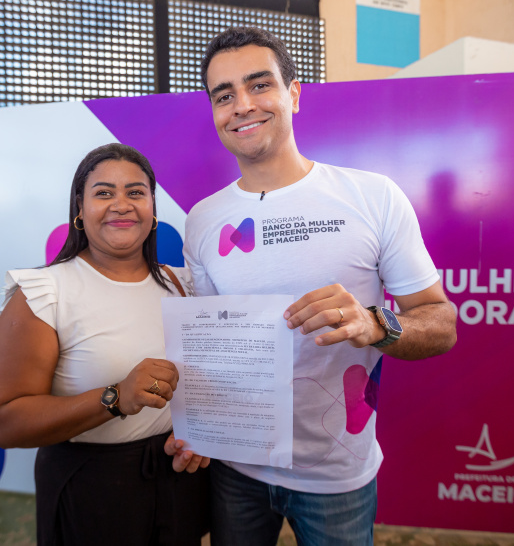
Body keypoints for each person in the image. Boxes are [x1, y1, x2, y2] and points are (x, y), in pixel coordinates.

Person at [183, 27, 457, 545]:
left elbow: (441, 323)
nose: (242, 105)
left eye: (259, 85)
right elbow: (210, 352)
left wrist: (376, 324)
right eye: (224, 95)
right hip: (235, 470)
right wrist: (195, 426)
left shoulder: (373, 197)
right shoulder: (203, 221)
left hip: (338, 477)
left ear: (294, 94)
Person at [0, 143, 210, 546]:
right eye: (104, 193)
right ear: (79, 208)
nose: (121, 205)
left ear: (153, 208)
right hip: (90, 489)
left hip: (177, 480)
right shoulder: (44, 292)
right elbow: (5, 423)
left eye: (136, 192)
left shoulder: (182, 285)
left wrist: (197, 438)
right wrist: (115, 396)